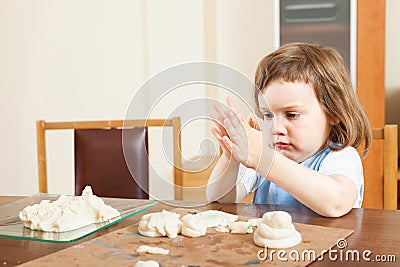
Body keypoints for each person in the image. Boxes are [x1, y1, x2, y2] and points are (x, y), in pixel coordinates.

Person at [206, 42, 372, 217]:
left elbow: (336, 203)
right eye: (268, 115)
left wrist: (264, 160)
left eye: (292, 115)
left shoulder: (340, 156)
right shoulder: (267, 153)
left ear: (333, 112)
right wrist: (231, 158)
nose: (276, 129)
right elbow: (220, 199)